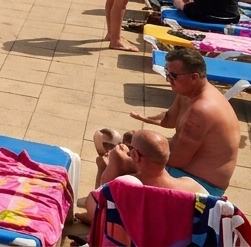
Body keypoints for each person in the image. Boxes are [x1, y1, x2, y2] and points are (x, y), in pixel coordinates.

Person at [95, 48, 239, 196]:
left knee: (119, 159)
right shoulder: (188, 92)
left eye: (173, 75)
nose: (167, 79)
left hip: (201, 185)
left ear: (194, 77)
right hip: (185, 171)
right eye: (167, 73)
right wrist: (145, 121)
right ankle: (97, 203)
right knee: (115, 156)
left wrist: (139, 149)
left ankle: (98, 209)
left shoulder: (201, 111)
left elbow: (177, 159)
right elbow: (169, 119)